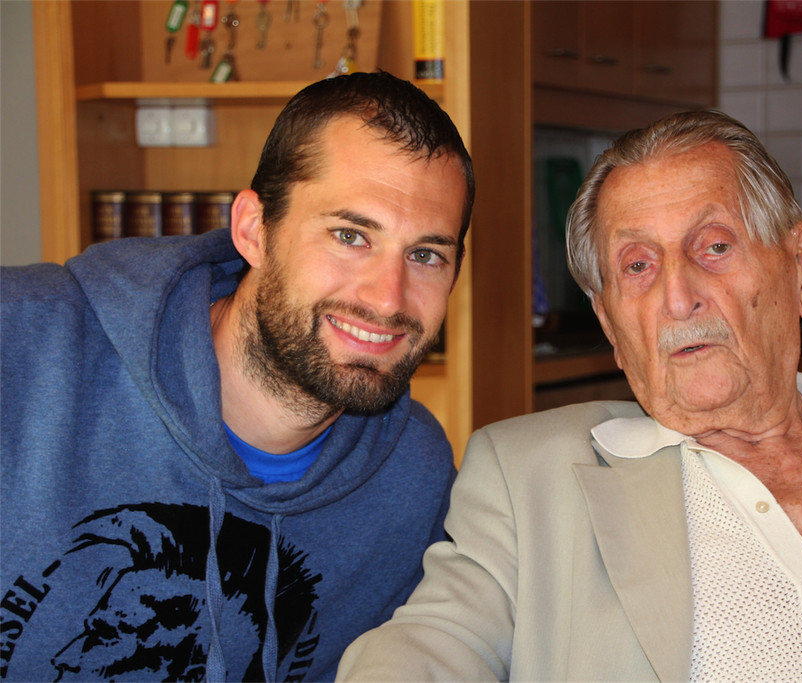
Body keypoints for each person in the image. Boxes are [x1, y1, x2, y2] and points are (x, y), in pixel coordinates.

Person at [336, 110, 802, 682]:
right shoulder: (526, 477)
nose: (677, 295)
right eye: (637, 265)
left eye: (714, 247)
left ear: (800, 269)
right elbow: (430, 647)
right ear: (610, 323)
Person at [1, 70, 474, 682]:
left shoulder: (412, 475)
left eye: (426, 255)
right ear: (253, 229)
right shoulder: (24, 342)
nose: (388, 298)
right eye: (350, 235)